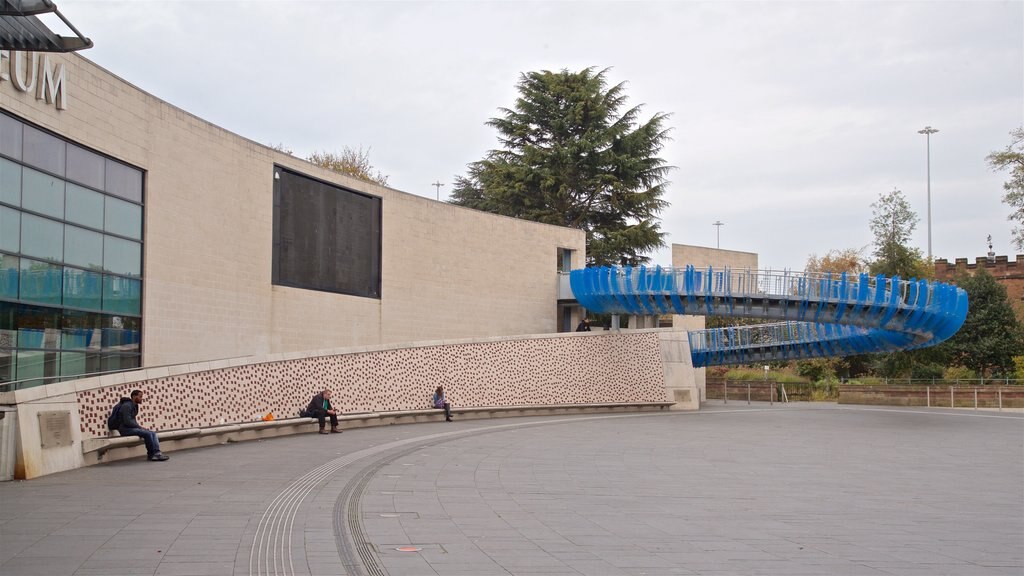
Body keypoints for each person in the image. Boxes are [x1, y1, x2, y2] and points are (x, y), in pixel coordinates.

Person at [113, 389, 169, 461]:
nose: (141, 398)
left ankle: (157, 453)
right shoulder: (127, 406)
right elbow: (127, 421)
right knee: (147, 434)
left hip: (130, 428)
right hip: (125, 429)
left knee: (152, 433)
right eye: (140, 396)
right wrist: (139, 427)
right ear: (134, 396)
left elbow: (132, 421)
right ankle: (151, 454)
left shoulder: (134, 406)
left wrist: (139, 428)